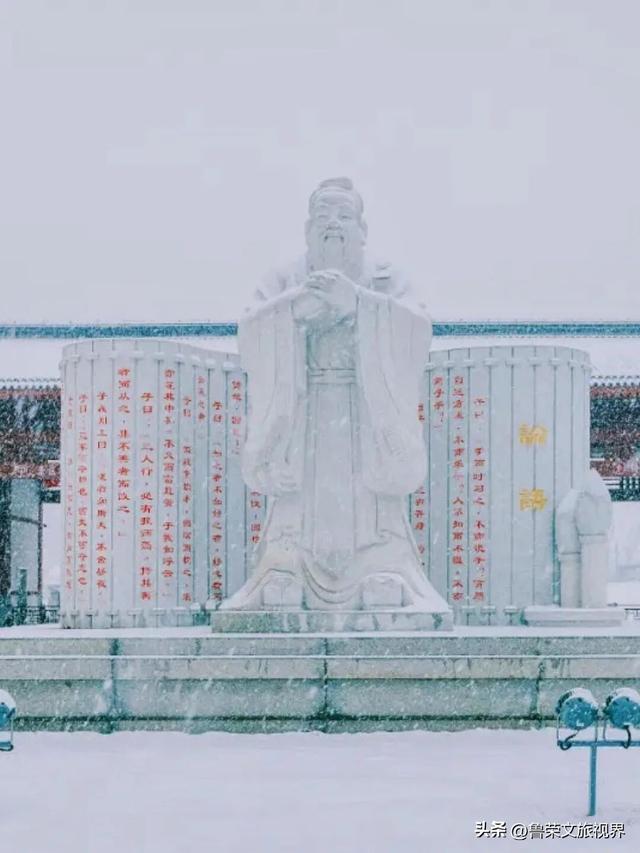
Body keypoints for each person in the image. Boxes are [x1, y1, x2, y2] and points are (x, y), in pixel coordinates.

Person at [222, 177, 449, 614]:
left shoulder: (386, 278)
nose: (333, 224)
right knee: (295, 507)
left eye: (344, 215)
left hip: (366, 411)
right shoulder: (285, 277)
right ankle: (285, 568)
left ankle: (382, 567)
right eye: (323, 215)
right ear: (308, 228)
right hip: (301, 410)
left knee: (372, 506)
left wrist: (359, 304)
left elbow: (417, 329)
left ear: (362, 230)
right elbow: (251, 329)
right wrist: (293, 309)